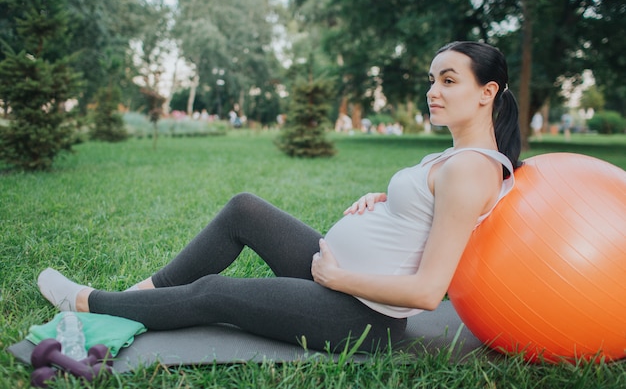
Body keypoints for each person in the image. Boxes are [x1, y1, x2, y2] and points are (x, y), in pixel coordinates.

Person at [37, 41, 522, 353]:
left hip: (363, 317)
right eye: (432, 79)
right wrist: (389, 200)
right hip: (338, 283)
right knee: (244, 208)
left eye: (449, 80)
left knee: (215, 293)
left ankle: (87, 302)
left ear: (487, 93)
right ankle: (142, 294)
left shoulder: (470, 169)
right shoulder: (456, 159)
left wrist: (339, 275)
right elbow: (432, 210)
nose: (433, 91)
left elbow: (426, 291)